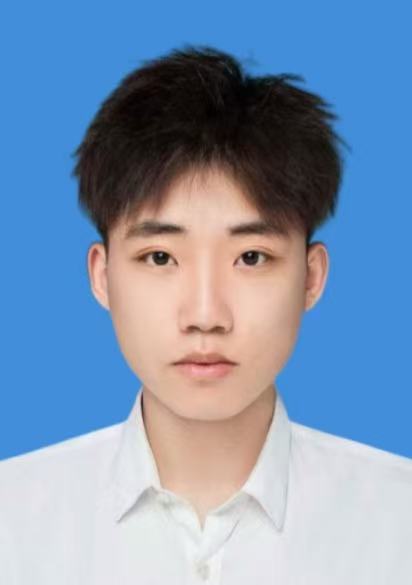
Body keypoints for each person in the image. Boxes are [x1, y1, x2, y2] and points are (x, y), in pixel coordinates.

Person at [0, 45, 411, 584]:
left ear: (311, 277)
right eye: (160, 257)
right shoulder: (14, 521)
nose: (205, 315)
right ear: (102, 275)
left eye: (251, 257)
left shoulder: (397, 521)